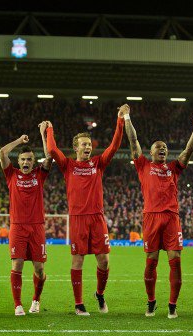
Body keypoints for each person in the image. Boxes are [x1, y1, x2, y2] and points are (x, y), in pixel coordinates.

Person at [46, 104, 126, 315]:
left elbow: (114, 146)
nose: (88, 147)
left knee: (104, 260)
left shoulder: (98, 164)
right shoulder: (68, 165)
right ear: (76, 148)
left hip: (97, 218)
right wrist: (50, 129)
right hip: (78, 219)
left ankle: (99, 294)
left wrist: (120, 120)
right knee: (77, 260)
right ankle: (78, 304)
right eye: (83, 144)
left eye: (89, 144)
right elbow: (52, 150)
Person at [124, 108, 193, 318]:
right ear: (151, 152)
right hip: (151, 217)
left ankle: (172, 305)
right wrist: (126, 117)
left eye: (165, 147)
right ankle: (151, 302)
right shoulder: (143, 165)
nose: (162, 149)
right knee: (151, 261)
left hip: (171, 218)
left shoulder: (173, 168)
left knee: (175, 260)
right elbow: (133, 141)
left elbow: (188, 149)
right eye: (158, 147)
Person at [0, 122, 52, 316]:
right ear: (19, 161)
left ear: (33, 161)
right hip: (18, 227)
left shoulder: (40, 174)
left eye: (29, 159)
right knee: (17, 264)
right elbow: (3, 153)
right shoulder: (11, 174)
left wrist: (42, 133)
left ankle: (36, 300)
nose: (26, 162)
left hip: (37, 227)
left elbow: (50, 156)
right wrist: (19, 141)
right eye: (23, 159)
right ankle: (18, 305)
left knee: (39, 269)